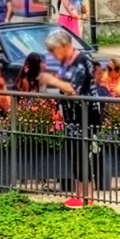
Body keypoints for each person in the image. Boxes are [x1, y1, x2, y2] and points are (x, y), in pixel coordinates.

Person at [46, 27, 101, 207]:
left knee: (82, 155)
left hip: (85, 115)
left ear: (64, 45)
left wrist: (53, 81)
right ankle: (78, 194)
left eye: (54, 50)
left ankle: (88, 197)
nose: (53, 55)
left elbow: (73, 89)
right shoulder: (67, 62)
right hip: (72, 116)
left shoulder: (82, 60)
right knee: (74, 154)